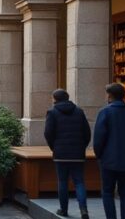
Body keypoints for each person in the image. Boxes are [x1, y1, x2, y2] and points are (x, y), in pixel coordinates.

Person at [94, 83, 125, 219]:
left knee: (107, 192)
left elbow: (98, 139)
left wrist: (99, 155)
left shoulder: (105, 112)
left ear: (110, 96)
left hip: (108, 160)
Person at [44, 89, 91, 219]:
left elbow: (48, 133)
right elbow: (87, 133)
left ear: (55, 99)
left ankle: (63, 210)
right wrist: (81, 147)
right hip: (77, 153)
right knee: (79, 182)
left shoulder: (52, 112)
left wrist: (54, 148)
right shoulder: (79, 112)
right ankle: (84, 210)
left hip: (61, 153)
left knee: (62, 181)